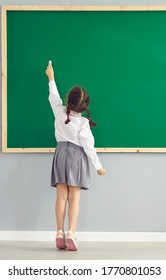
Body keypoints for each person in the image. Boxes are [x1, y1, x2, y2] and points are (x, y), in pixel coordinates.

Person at [45, 62, 106, 251]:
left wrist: (51, 78)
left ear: (68, 101)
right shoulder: (83, 123)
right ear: (84, 105)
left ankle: (58, 232)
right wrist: (98, 166)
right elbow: (89, 147)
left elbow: (54, 97)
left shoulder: (59, 112)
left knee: (61, 197)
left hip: (60, 154)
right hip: (77, 157)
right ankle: (71, 232)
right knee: (75, 198)